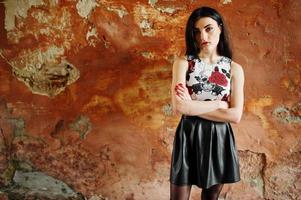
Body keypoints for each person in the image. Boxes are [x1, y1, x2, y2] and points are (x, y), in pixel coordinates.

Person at [170, 6, 244, 200]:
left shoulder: (234, 69)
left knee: (211, 198)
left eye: (208, 28)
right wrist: (219, 105)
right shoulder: (183, 63)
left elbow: (235, 115)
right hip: (188, 134)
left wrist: (192, 108)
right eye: (196, 31)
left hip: (219, 136)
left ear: (220, 28)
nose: (203, 36)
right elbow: (180, 107)